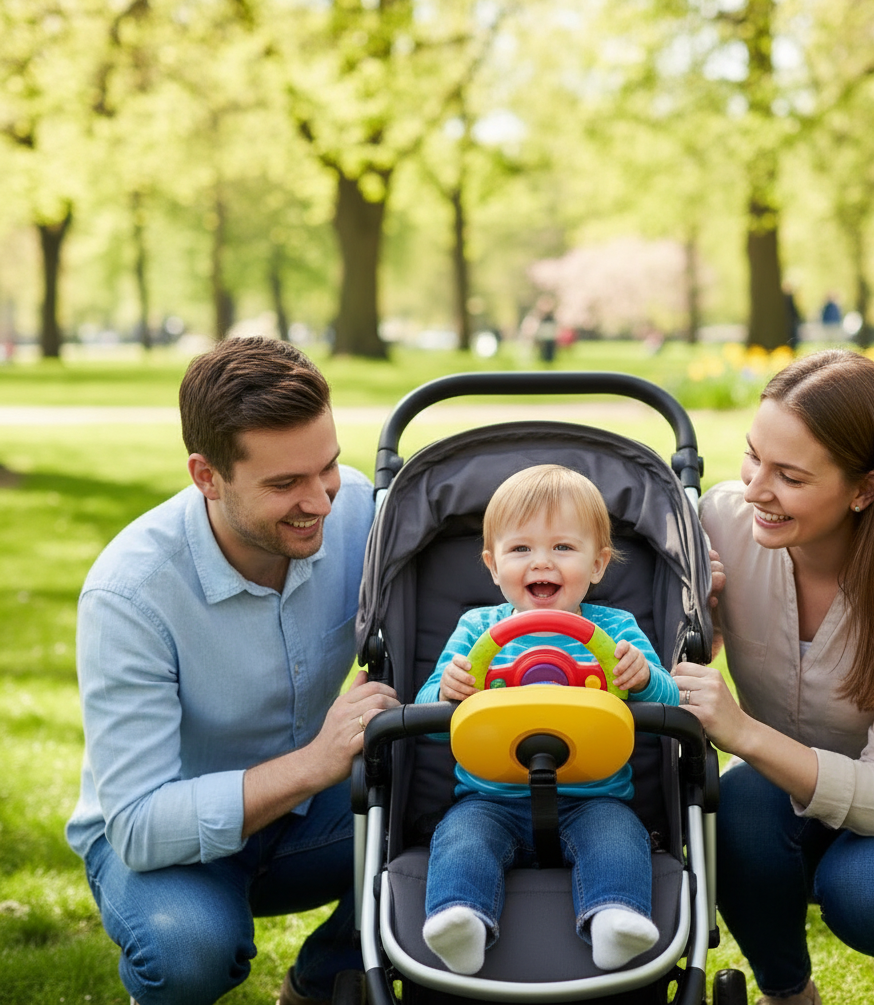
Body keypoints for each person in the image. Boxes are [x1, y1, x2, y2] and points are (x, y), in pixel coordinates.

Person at [66, 337, 398, 1005]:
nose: (320, 502)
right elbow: (137, 825)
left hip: (311, 824)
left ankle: (323, 983)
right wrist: (316, 764)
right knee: (187, 950)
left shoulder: (360, 512)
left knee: (463, 806)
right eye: (284, 484)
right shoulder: (130, 595)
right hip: (165, 847)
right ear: (207, 476)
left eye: (327, 466)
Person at [673, 350, 874, 1005]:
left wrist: (741, 732)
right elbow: (683, 655)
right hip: (781, 788)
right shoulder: (723, 521)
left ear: (864, 489)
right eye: (753, 456)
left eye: (790, 476)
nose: (756, 489)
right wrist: (698, 615)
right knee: (726, 816)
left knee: (868, 891)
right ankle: (788, 993)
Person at [414, 464, 680, 975]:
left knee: (619, 836)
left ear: (598, 564)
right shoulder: (477, 629)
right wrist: (446, 692)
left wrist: (644, 678)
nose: (542, 562)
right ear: (493, 566)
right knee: (462, 838)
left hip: (594, 797)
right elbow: (426, 718)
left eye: (562, 547)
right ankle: (460, 920)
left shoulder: (616, 630)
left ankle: (615, 917)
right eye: (521, 549)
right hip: (490, 797)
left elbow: (670, 707)